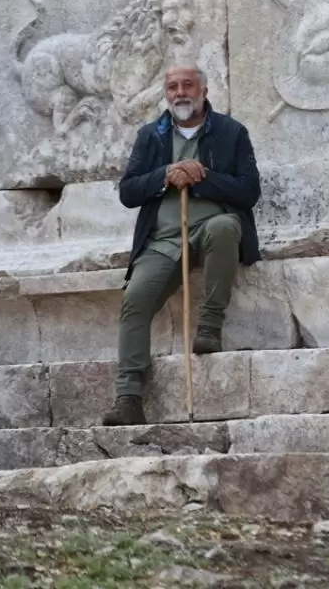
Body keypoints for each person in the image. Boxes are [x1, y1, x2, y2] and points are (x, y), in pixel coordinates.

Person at [102, 64, 262, 426]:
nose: (180, 93)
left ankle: (209, 326)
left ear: (204, 91)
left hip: (207, 229)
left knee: (224, 226)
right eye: (172, 87)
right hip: (162, 240)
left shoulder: (231, 132)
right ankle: (128, 397)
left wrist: (201, 178)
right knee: (134, 302)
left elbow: (248, 191)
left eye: (188, 85)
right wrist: (164, 175)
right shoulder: (151, 136)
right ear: (166, 94)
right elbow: (128, 192)